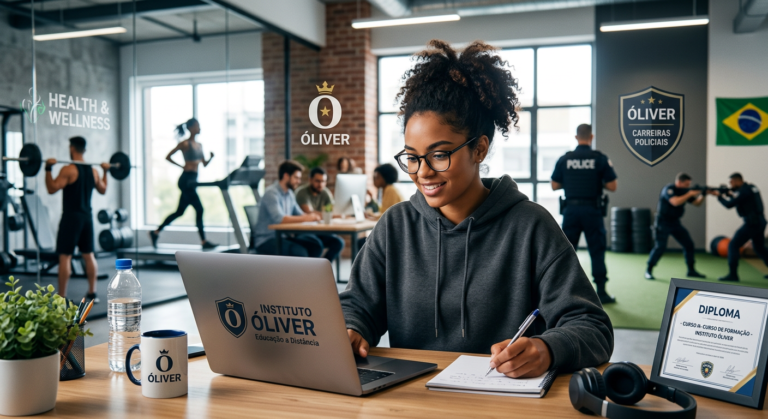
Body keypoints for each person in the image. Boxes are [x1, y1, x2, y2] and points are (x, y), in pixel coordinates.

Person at [340, 40, 613, 379]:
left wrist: (547, 348)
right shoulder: (396, 226)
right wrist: (352, 328)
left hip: (499, 401)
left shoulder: (530, 226)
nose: (423, 171)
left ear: (479, 149)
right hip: (410, 400)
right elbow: (358, 305)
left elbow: (593, 327)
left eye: (439, 155)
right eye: (412, 157)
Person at [551, 123, 617, 304]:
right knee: (597, 251)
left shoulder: (565, 159)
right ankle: (601, 292)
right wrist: (594, 182)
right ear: (591, 137)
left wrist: (572, 183)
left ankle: (560, 293)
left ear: (575, 137)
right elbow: (612, 186)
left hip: (571, 211)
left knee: (566, 251)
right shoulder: (600, 159)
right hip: (592, 211)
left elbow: (554, 185)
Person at [45, 136, 109, 302]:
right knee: (88, 255)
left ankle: (62, 296)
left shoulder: (68, 170)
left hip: (71, 218)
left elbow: (52, 189)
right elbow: (103, 189)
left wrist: (48, 169)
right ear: (84, 150)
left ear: (72, 148)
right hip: (87, 217)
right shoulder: (94, 171)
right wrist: (106, 171)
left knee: (65, 256)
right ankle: (92, 293)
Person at [150, 118, 217, 249]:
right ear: (191, 128)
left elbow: (204, 164)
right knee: (199, 209)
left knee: (179, 212)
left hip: (193, 179)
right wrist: (181, 166)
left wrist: (211, 157)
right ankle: (204, 241)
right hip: (186, 180)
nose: (199, 128)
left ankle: (155, 232)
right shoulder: (185, 144)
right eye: (197, 126)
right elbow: (168, 156)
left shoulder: (200, 145)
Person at [253, 160, 332, 258]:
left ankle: (310, 273)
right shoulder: (271, 193)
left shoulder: (289, 194)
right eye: (296, 178)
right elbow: (281, 219)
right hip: (267, 240)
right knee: (299, 251)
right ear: (286, 176)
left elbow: (300, 214)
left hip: (284, 237)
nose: (299, 181)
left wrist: (313, 217)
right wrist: (307, 218)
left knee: (315, 246)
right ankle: (300, 273)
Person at [645, 173, 707, 280]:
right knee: (660, 247)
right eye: (686, 185)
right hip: (662, 222)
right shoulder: (669, 189)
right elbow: (675, 202)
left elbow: (697, 203)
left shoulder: (686, 192)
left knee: (689, 244)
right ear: (679, 182)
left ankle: (691, 270)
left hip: (675, 223)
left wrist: (704, 194)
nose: (688, 187)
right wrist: (690, 193)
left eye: (689, 185)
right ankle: (648, 270)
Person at [713, 173, 768, 282]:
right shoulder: (751, 188)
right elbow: (739, 197)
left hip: (752, 223)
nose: (730, 185)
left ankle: (733, 275)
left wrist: (719, 197)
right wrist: (728, 194)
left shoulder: (744, 191)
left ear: (737, 181)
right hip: (760, 221)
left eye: (731, 182)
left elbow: (729, 204)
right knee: (759, 248)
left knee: (733, 245)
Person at [295, 167, 345, 262]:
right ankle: (315, 270)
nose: (321, 184)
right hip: (304, 231)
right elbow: (308, 212)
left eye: (323, 181)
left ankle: (323, 268)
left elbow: (333, 210)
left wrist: (333, 214)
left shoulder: (325, 192)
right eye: (317, 181)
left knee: (339, 242)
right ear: (310, 180)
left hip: (320, 231)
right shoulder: (302, 192)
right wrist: (331, 215)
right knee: (316, 244)